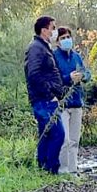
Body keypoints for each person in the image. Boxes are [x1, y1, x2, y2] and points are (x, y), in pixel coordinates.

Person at [24, 16, 66, 174]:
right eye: (53, 28)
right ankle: (50, 170)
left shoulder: (43, 47)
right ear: (44, 30)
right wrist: (50, 94)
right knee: (58, 134)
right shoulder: (36, 47)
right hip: (44, 100)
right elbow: (33, 75)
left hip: (48, 100)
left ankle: (44, 171)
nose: (55, 31)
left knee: (46, 134)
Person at [53, 27, 91, 174]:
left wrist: (83, 76)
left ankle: (73, 171)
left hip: (76, 102)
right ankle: (63, 171)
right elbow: (54, 80)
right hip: (61, 103)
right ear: (57, 42)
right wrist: (69, 78)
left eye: (68, 37)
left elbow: (86, 72)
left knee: (74, 140)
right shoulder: (54, 57)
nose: (66, 40)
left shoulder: (76, 56)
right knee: (65, 140)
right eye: (62, 38)